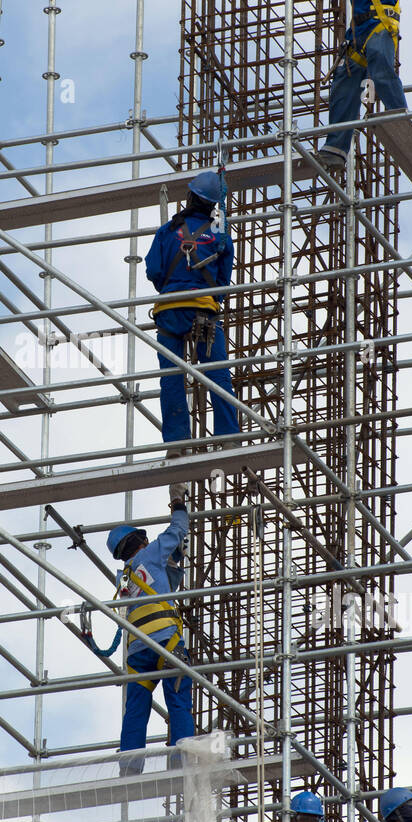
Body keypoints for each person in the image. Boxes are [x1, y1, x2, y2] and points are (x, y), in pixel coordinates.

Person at [283, 0, 407, 168]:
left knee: (379, 62)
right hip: (357, 35)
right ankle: (336, 148)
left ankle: (399, 118)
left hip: (377, 28)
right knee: (344, 82)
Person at [144, 170, 239, 450]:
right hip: (203, 310)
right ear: (214, 204)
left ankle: (176, 442)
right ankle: (228, 438)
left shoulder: (167, 230)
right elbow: (222, 282)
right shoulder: (219, 234)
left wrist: (174, 285)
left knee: (172, 378)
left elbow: (154, 271)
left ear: (190, 196)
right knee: (217, 374)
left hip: (170, 311)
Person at [107, 482, 195, 774]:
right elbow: (177, 530)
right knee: (178, 697)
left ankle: (130, 766)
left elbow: (161, 584)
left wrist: (174, 564)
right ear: (141, 541)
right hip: (165, 641)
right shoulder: (152, 553)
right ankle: (184, 759)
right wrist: (178, 503)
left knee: (136, 710)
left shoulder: (123, 577)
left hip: (138, 652)